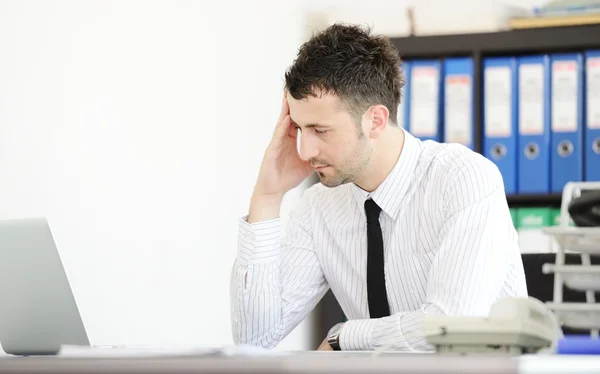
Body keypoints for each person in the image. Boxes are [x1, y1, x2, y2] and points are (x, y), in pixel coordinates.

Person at [230, 23, 527, 352]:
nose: (305, 151)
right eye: (299, 128)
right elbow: (253, 341)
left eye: (320, 130)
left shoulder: (464, 180)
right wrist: (267, 197)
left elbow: (451, 326)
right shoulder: (318, 208)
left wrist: (346, 337)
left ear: (375, 120)